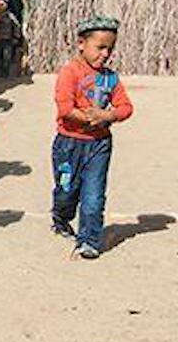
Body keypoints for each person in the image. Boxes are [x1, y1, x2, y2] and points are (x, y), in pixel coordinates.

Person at [51, 16, 134, 259]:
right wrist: (90, 118)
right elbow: (65, 108)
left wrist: (108, 115)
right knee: (67, 191)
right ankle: (60, 217)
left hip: (99, 145)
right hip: (68, 144)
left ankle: (88, 240)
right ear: (81, 44)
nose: (105, 54)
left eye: (110, 48)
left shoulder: (110, 78)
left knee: (93, 196)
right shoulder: (69, 73)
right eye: (100, 47)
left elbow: (126, 107)